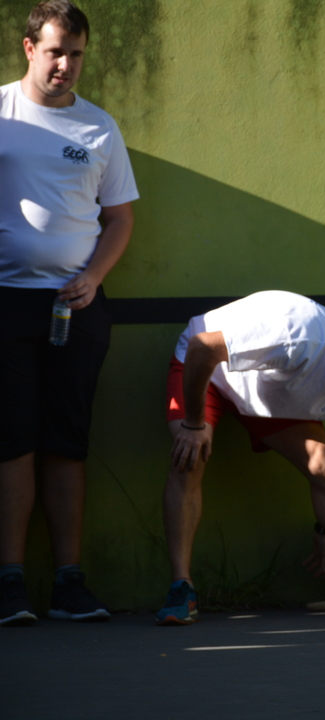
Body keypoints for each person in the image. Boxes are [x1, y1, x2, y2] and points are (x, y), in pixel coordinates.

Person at [156, 290, 325, 625]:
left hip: (265, 392)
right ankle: (181, 588)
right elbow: (202, 346)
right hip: (205, 370)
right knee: (190, 457)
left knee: (323, 463)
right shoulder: (297, 339)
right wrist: (195, 424)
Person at [0, 1, 138, 627]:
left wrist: (94, 278)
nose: (65, 65)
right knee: (12, 442)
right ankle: (9, 584)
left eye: (76, 54)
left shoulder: (99, 127)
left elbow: (120, 219)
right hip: (6, 305)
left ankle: (68, 584)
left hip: (75, 308)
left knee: (66, 442)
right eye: (55, 51)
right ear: (29, 48)